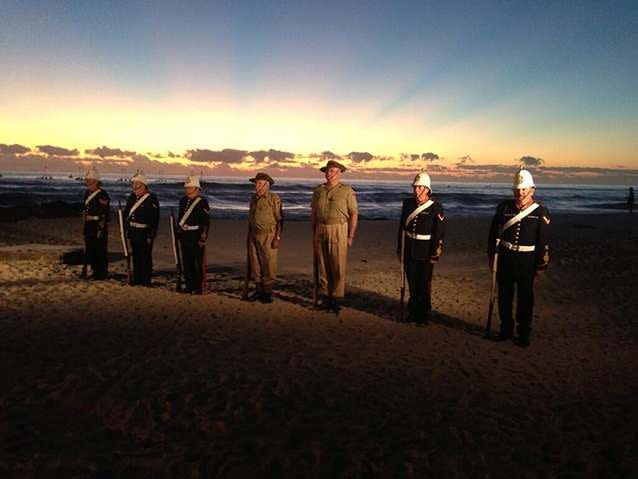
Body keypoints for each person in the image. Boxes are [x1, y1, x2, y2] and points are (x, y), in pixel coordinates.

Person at [488, 168, 550, 347]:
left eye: (524, 189)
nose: (520, 193)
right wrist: (491, 255)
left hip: (526, 261)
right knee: (504, 296)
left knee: (525, 299)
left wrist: (541, 265)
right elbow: (493, 233)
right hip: (505, 258)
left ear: (532, 190)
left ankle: (523, 333)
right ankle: (505, 330)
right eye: (517, 189)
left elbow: (543, 241)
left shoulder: (540, 212)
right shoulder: (504, 207)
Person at [397, 171, 445, 325]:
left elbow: (438, 232)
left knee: (424, 284)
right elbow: (402, 228)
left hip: (426, 251)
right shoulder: (408, 204)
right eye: (415, 187)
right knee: (411, 282)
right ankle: (413, 312)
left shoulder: (436, 207)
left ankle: (423, 314)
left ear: (427, 189)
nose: (416, 190)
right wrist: (400, 249)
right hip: (410, 249)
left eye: (419, 187)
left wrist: (435, 253)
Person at [311, 160, 358, 313]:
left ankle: (336, 299)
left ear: (339, 173)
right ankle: (325, 296)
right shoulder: (318, 191)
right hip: (321, 228)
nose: (328, 174)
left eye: (332, 171)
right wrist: (314, 232)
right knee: (322, 265)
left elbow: (354, 214)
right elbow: (313, 213)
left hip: (339, 229)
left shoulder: (346, 191)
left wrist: (350, 235)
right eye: (327, 171)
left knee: (337, 265)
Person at [245, 172, 283, 303]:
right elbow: (251, 218)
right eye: (256, 183)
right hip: (254, 235)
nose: (257, 186)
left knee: (268, 264)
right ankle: (258, 290)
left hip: (269, 235)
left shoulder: (274, 198)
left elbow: (280, 219)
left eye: (260, 183)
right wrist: (249, 236)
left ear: (267, 185)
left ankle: (267, 294)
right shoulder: (253, 199)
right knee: (255, 264)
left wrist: (277, 238)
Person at [124, 171, 159, 286]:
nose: (134, 185)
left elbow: (154, 220)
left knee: (145, 257)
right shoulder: (132, 198)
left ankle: (145, 280)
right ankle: (137, 278)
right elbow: (127, 215)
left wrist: (151, 235)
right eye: (133, 183)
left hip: (145, 232)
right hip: (134, 231)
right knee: (136, 256)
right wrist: (127, 230)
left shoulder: (151, 199)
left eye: (136, 183)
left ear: (143, 184)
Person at [176, 175, 210, 294]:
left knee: (198, 262)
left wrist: (203, 237)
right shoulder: (183, 201)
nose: (187, 189)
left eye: (190, 187)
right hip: (185, 235)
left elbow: (206, 222)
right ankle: (189, 285)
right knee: (187, 262)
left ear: (196, 188)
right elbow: (180, 217)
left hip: (196, 235)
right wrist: (179, 232)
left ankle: (199, 287)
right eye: (187, 187)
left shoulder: (202, 202)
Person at [82, 167, 110, 280]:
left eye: (90, 180)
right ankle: (94, 271)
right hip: (89, 225)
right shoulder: (87, 193)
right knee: (91, 249)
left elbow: (104, 214)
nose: (88, 182)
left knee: (100, 250)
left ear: (96, 181)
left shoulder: (102, 195)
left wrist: (101, 228)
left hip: (98, 225)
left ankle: (101, 273)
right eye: (87, 180)